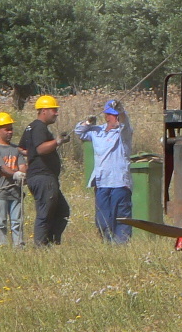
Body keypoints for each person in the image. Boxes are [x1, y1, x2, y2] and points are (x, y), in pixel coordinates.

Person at [74, 99, 135, 243]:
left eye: (118, 116)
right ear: (107, 116)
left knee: (121, 218)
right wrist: (88, 122)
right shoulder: (97, 131)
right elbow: (79, 132)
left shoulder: (123, 133)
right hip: (102, 182)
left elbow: (126, 124)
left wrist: (121, 110)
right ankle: (108, 244)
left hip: (120, 182)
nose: (117, 119)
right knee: (103, 220)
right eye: (114, 115)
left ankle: (121, 246)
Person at [20, 94, 71, 246]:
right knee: (45, 214)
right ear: (43, 111)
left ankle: (50, 242)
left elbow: (22, 148)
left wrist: (32, 155)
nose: (56, 113)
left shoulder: (31, 127)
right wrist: (57, 141)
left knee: (62, 211)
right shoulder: (39, 127)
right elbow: (41, 149)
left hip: (41, 177)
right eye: (53, 109)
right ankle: (41, 247)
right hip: (43, 178)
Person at [0, 112, 26, 246]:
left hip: (16, 192)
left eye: (11, 128)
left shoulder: (16, 149)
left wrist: (22, 173)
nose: (10, 132)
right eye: (7, 129)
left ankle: (19, 247)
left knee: (17, 222)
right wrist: (16, 174)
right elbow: (1, 168)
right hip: (0, 192)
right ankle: (2, 248)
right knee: (0, 222)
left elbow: (23, 167)